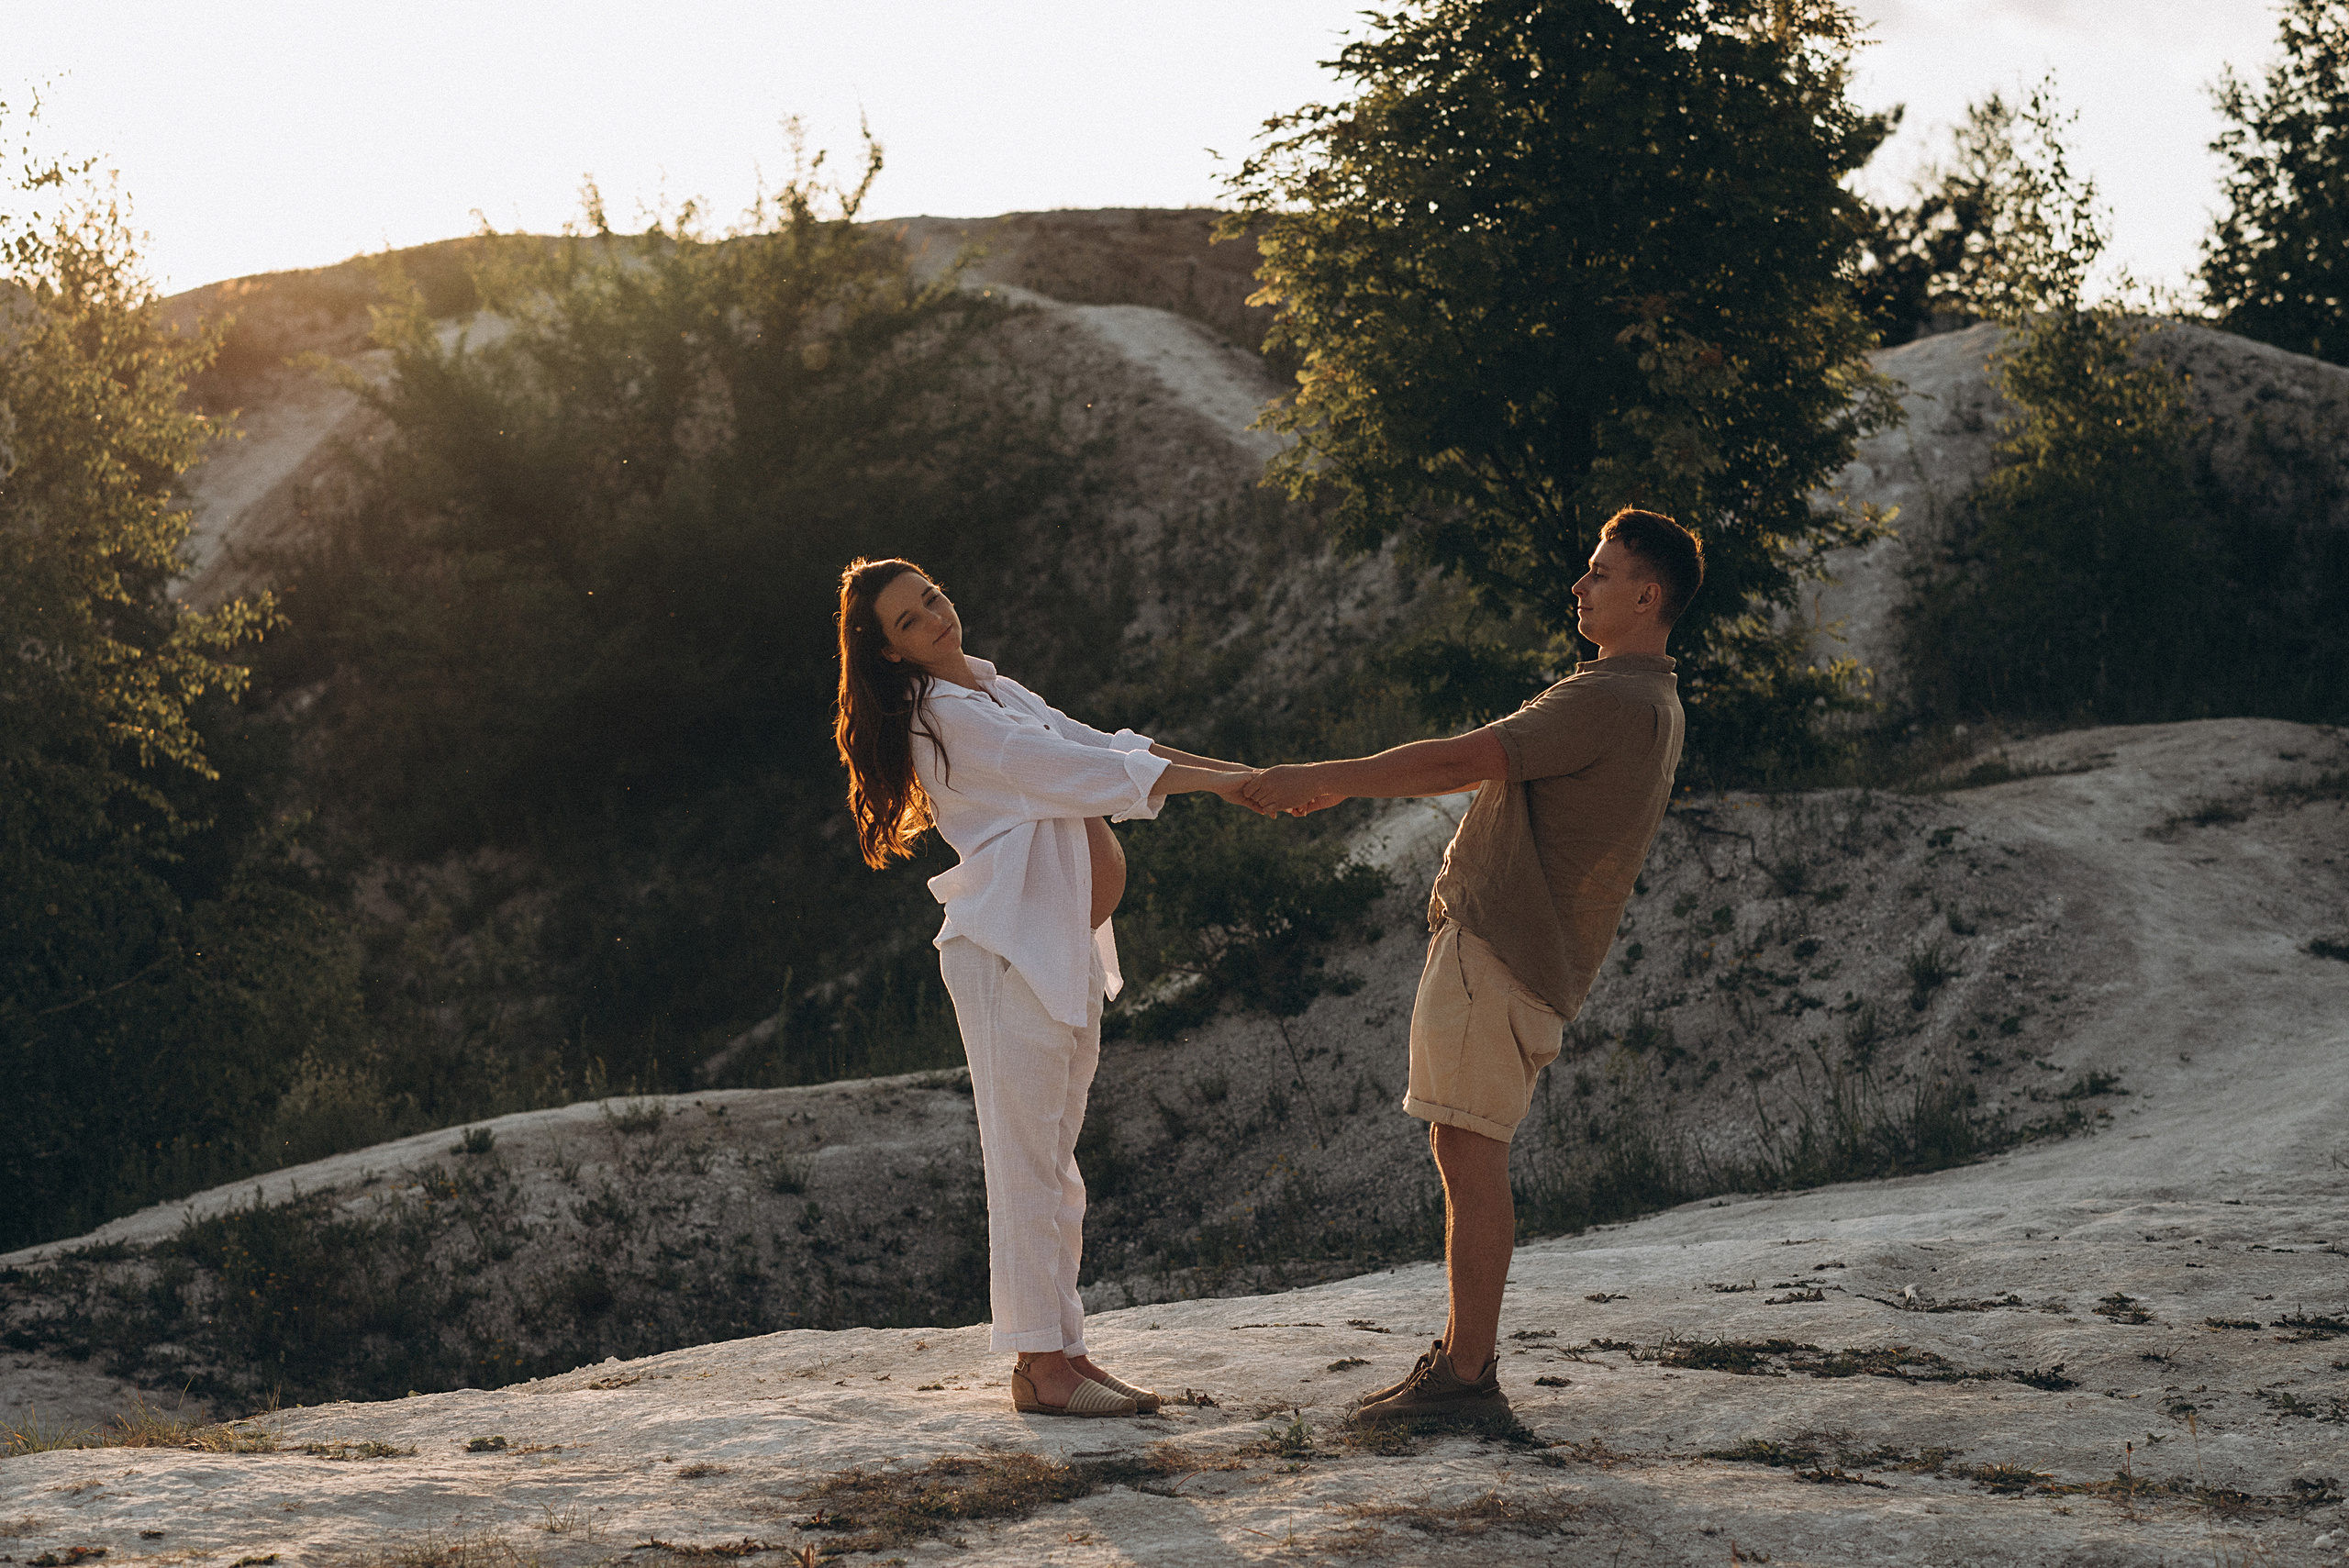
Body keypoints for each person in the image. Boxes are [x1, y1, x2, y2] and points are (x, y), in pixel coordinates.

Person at [1241, 508, 1702, 1426]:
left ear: (1647, 596)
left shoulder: (1609, 697)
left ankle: (1465, 1375)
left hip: (1499, 949)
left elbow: (1462, 758)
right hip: (1521, 954)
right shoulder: (1652, 700)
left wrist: (1322, 776)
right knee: (1464, 1147)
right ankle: (1462, 1363)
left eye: (1600, 573)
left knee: (1468, 1153)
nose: (1579, 585)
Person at [833, 556, 1257, 1418]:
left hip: (1056, 948)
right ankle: (1036, 1363)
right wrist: (1230, 784)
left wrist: (1243, 776)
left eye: (934, 598)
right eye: (911, 620)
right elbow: (1079, 771)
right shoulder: (949, 718)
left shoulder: (994, 689)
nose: (937, 617)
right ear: (890, 652)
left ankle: (1065, 1350)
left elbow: (1110, 747)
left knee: (1056, 1167)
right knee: (1026, 1165)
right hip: (1007, 956)